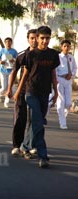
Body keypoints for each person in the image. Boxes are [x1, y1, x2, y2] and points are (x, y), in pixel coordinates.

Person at [13, 26, 60, 168]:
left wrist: (56, 92)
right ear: (38, 38)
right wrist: (17, 91)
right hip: (31, 92)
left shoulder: (53, 55)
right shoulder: (31, 55)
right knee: (38, 123)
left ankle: (24, 146)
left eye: (47, 38)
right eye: (42, 38)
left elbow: (53, 74)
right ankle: (43, 156)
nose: (45, 41)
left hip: (45, 93)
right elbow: (25, 74)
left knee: (37, 122)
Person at [6, 29, 37, 156]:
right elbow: (14, 72)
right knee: (20, 119)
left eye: (36, 37)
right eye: (32, 38)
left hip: (36, 92)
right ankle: (16, 145)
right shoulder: (22, 55)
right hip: (22, 91)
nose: (34, 40)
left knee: (34, 120)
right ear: (28, 39)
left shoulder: (43, 55)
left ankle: (30, 145)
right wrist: (9, 89)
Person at [56, 40, 77, 130]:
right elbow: (55, 69)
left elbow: (75, 68)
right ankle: (62, 122)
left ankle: (50, 101)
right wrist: (56, 80)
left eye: (68, 46)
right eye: (65, 46)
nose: (66, 48)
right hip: (60, 79)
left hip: (68, 80)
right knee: (61, 102)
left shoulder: (71, 57)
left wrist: (71, 74)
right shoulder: (58, 57)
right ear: (61, 47)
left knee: (68, 103)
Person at [0, 37, 18, 108]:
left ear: (11, 43)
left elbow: (17, 60)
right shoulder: (2, 50)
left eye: (9, 42)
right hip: (3, 71)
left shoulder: (14, 51)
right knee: (4, 87)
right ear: (5, 43)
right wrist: (0, 62)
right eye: (7, 42)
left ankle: (7, 102)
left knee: (9, 87)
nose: (8, 44)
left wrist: (13, 60)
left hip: (11, 71)